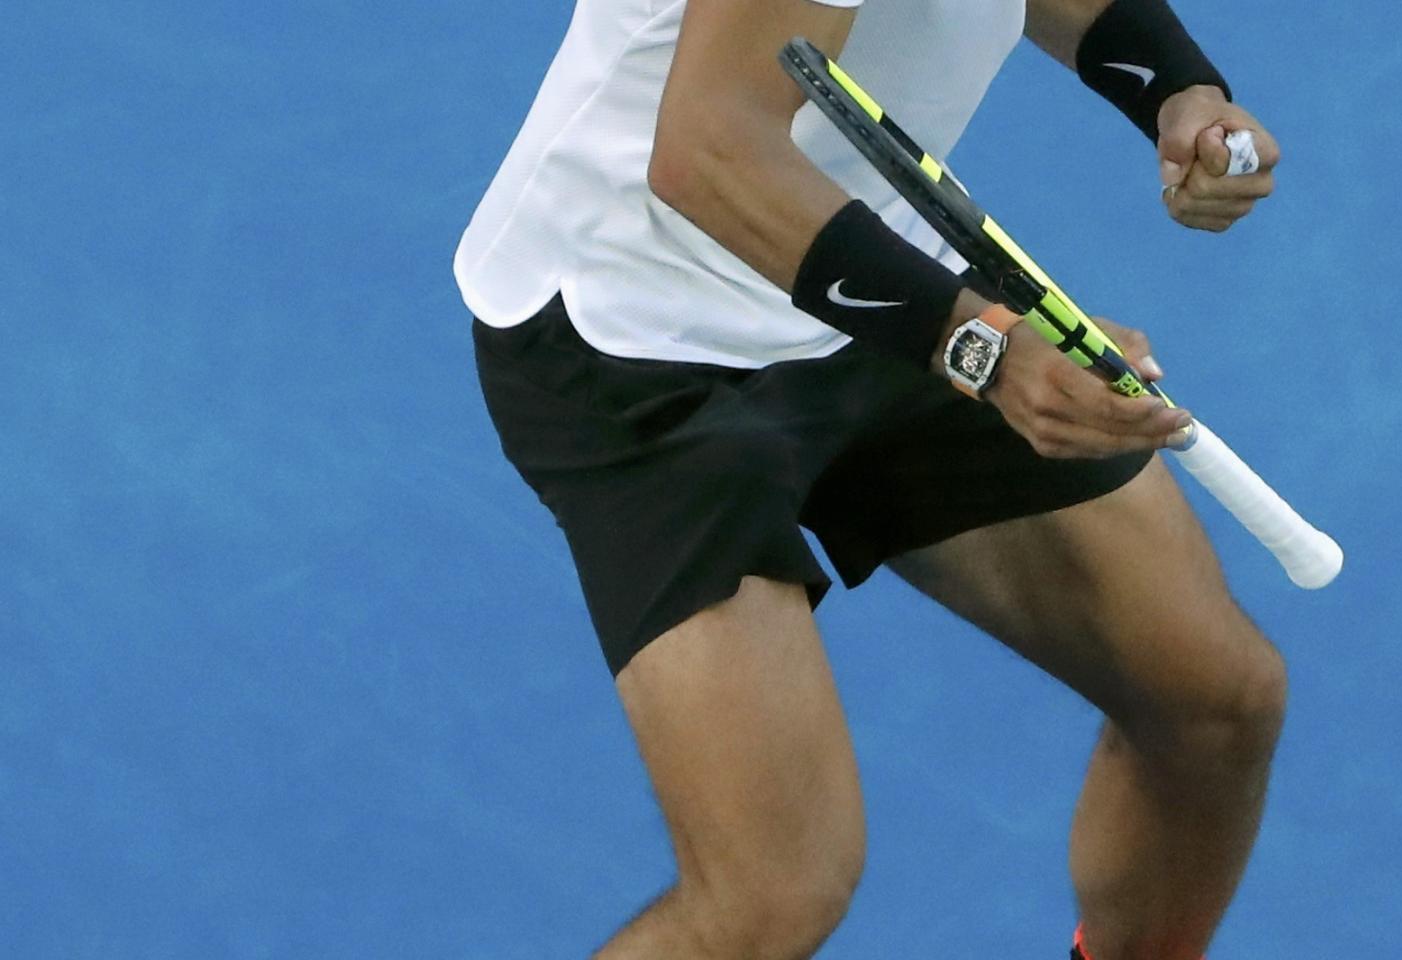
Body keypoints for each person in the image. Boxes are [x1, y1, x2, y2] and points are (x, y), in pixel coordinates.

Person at [455, 0, 1285, 955]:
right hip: (634, 336)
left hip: (866, 269)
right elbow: (708, 150)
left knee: (1213, 700)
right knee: (773, 894)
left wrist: (1176, 88)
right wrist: (986, 349)